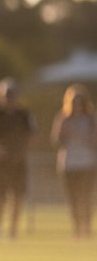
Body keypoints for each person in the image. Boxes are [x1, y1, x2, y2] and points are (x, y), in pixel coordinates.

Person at [0, 77, 36, 243]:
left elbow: (32, 135)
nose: (9, 98)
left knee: (17, 196)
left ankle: (13, 230)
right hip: (0, 162)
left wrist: (21, 151)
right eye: (6, 95)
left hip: (18, 161)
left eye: (12, 94)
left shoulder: (24, 114)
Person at [50, 84, 96, 239]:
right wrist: (66, 133)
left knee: (86, 196)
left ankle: (87, 227)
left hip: (87, 163)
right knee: (73, 197)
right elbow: (55, 140)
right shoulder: (64, 118)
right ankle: (77, 228)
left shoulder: (90, 119)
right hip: (69, 163)